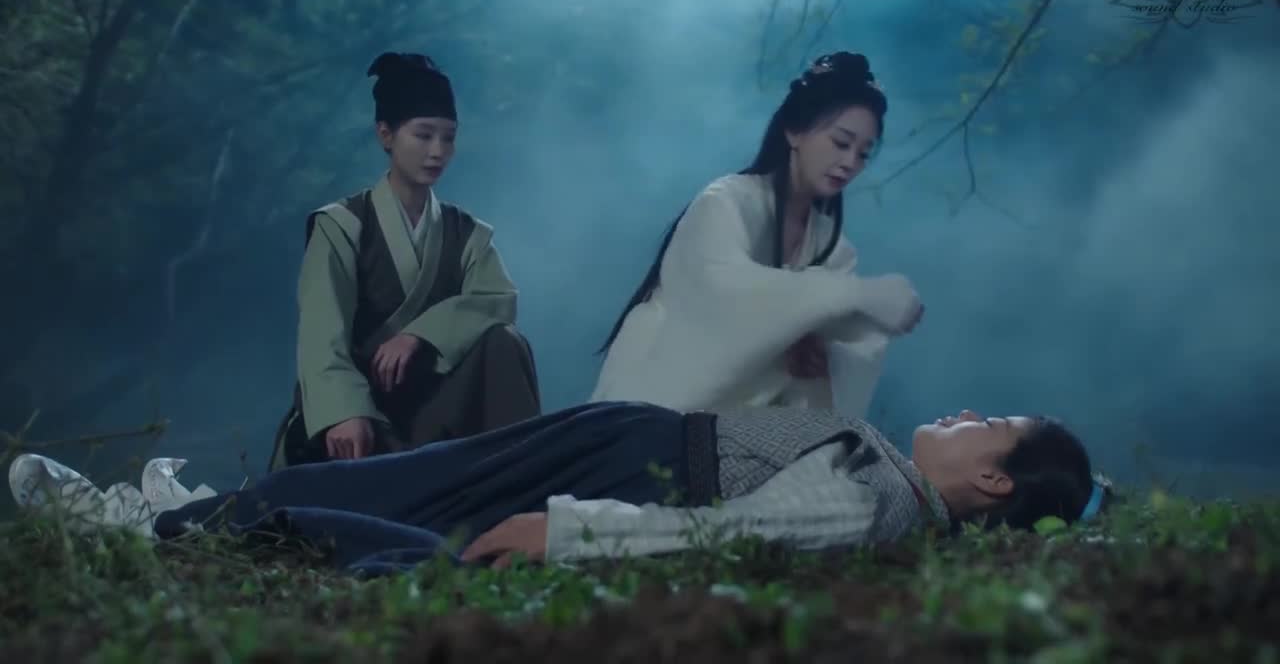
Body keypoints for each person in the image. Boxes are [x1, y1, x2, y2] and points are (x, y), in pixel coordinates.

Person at [9, 403, 1101, 575]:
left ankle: (137, 525)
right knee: (403, 487)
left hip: (614, 474)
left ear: (992, 477)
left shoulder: (877, 500)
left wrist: (569, 533)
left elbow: (727, 532)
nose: (964, 411)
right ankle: (184, 514)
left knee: (400, 492)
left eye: (989, 421)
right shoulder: (891, 486)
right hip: (620, 447)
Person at [590, 51, 924, 418]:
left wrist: (819, 347)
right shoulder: (725, 202)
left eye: (863, 153)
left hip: (742, 421)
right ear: (795, 130)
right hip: (654, 400)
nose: (850, 163)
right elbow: (722, 296)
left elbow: (846, 345)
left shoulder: (834, 248)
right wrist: (853, 296)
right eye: (841, 143)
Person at [267, 51, 542, 472]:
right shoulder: (341, 226)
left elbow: (498, 299)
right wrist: (344, 410)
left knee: (504, 341)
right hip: (360, 421)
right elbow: (322, 336)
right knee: (339, 437)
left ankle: (522, 479)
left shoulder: (467, 234)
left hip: (435, 413)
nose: (437, 151)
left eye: (448, 138)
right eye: (424, 135)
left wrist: (419, 335)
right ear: (386, 135)